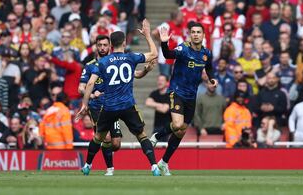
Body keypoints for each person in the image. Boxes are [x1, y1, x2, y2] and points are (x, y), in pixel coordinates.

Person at [77, 19, 160, 176]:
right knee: (141, 135)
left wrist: (84, 104)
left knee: (98, 137)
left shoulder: (103, 62)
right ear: (124, 43)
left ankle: (87, 165)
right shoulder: (131, 57)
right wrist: (148, 36)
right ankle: (154, 166)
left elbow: (89, 84)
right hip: (128, 105)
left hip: (109, 107)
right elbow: (154, 54)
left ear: (111, 45)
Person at [149, 22, 218, 176]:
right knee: (178, 124)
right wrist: (164, 42)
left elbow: (209, 67)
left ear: (203, 35)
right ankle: (157, 136)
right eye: (193, 32)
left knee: (181, 131)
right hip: (177, 91)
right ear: (190, 34)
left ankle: (163, 162)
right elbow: (167, 55)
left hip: (191, 96)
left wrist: (211, 79)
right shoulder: (183, 49)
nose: (195, 34)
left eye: (198, 32)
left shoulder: (206, 53)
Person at [145, 75, 171, 141]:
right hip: (156, 127)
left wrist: (154, 104)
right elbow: (147, 103)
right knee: (155, 148)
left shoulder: (170, 94)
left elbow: (164, 110)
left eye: (162, 80)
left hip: (168, 129)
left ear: (167, 83)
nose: (159, 82)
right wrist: (161, 105)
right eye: (158, 80)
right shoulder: (154, 93)